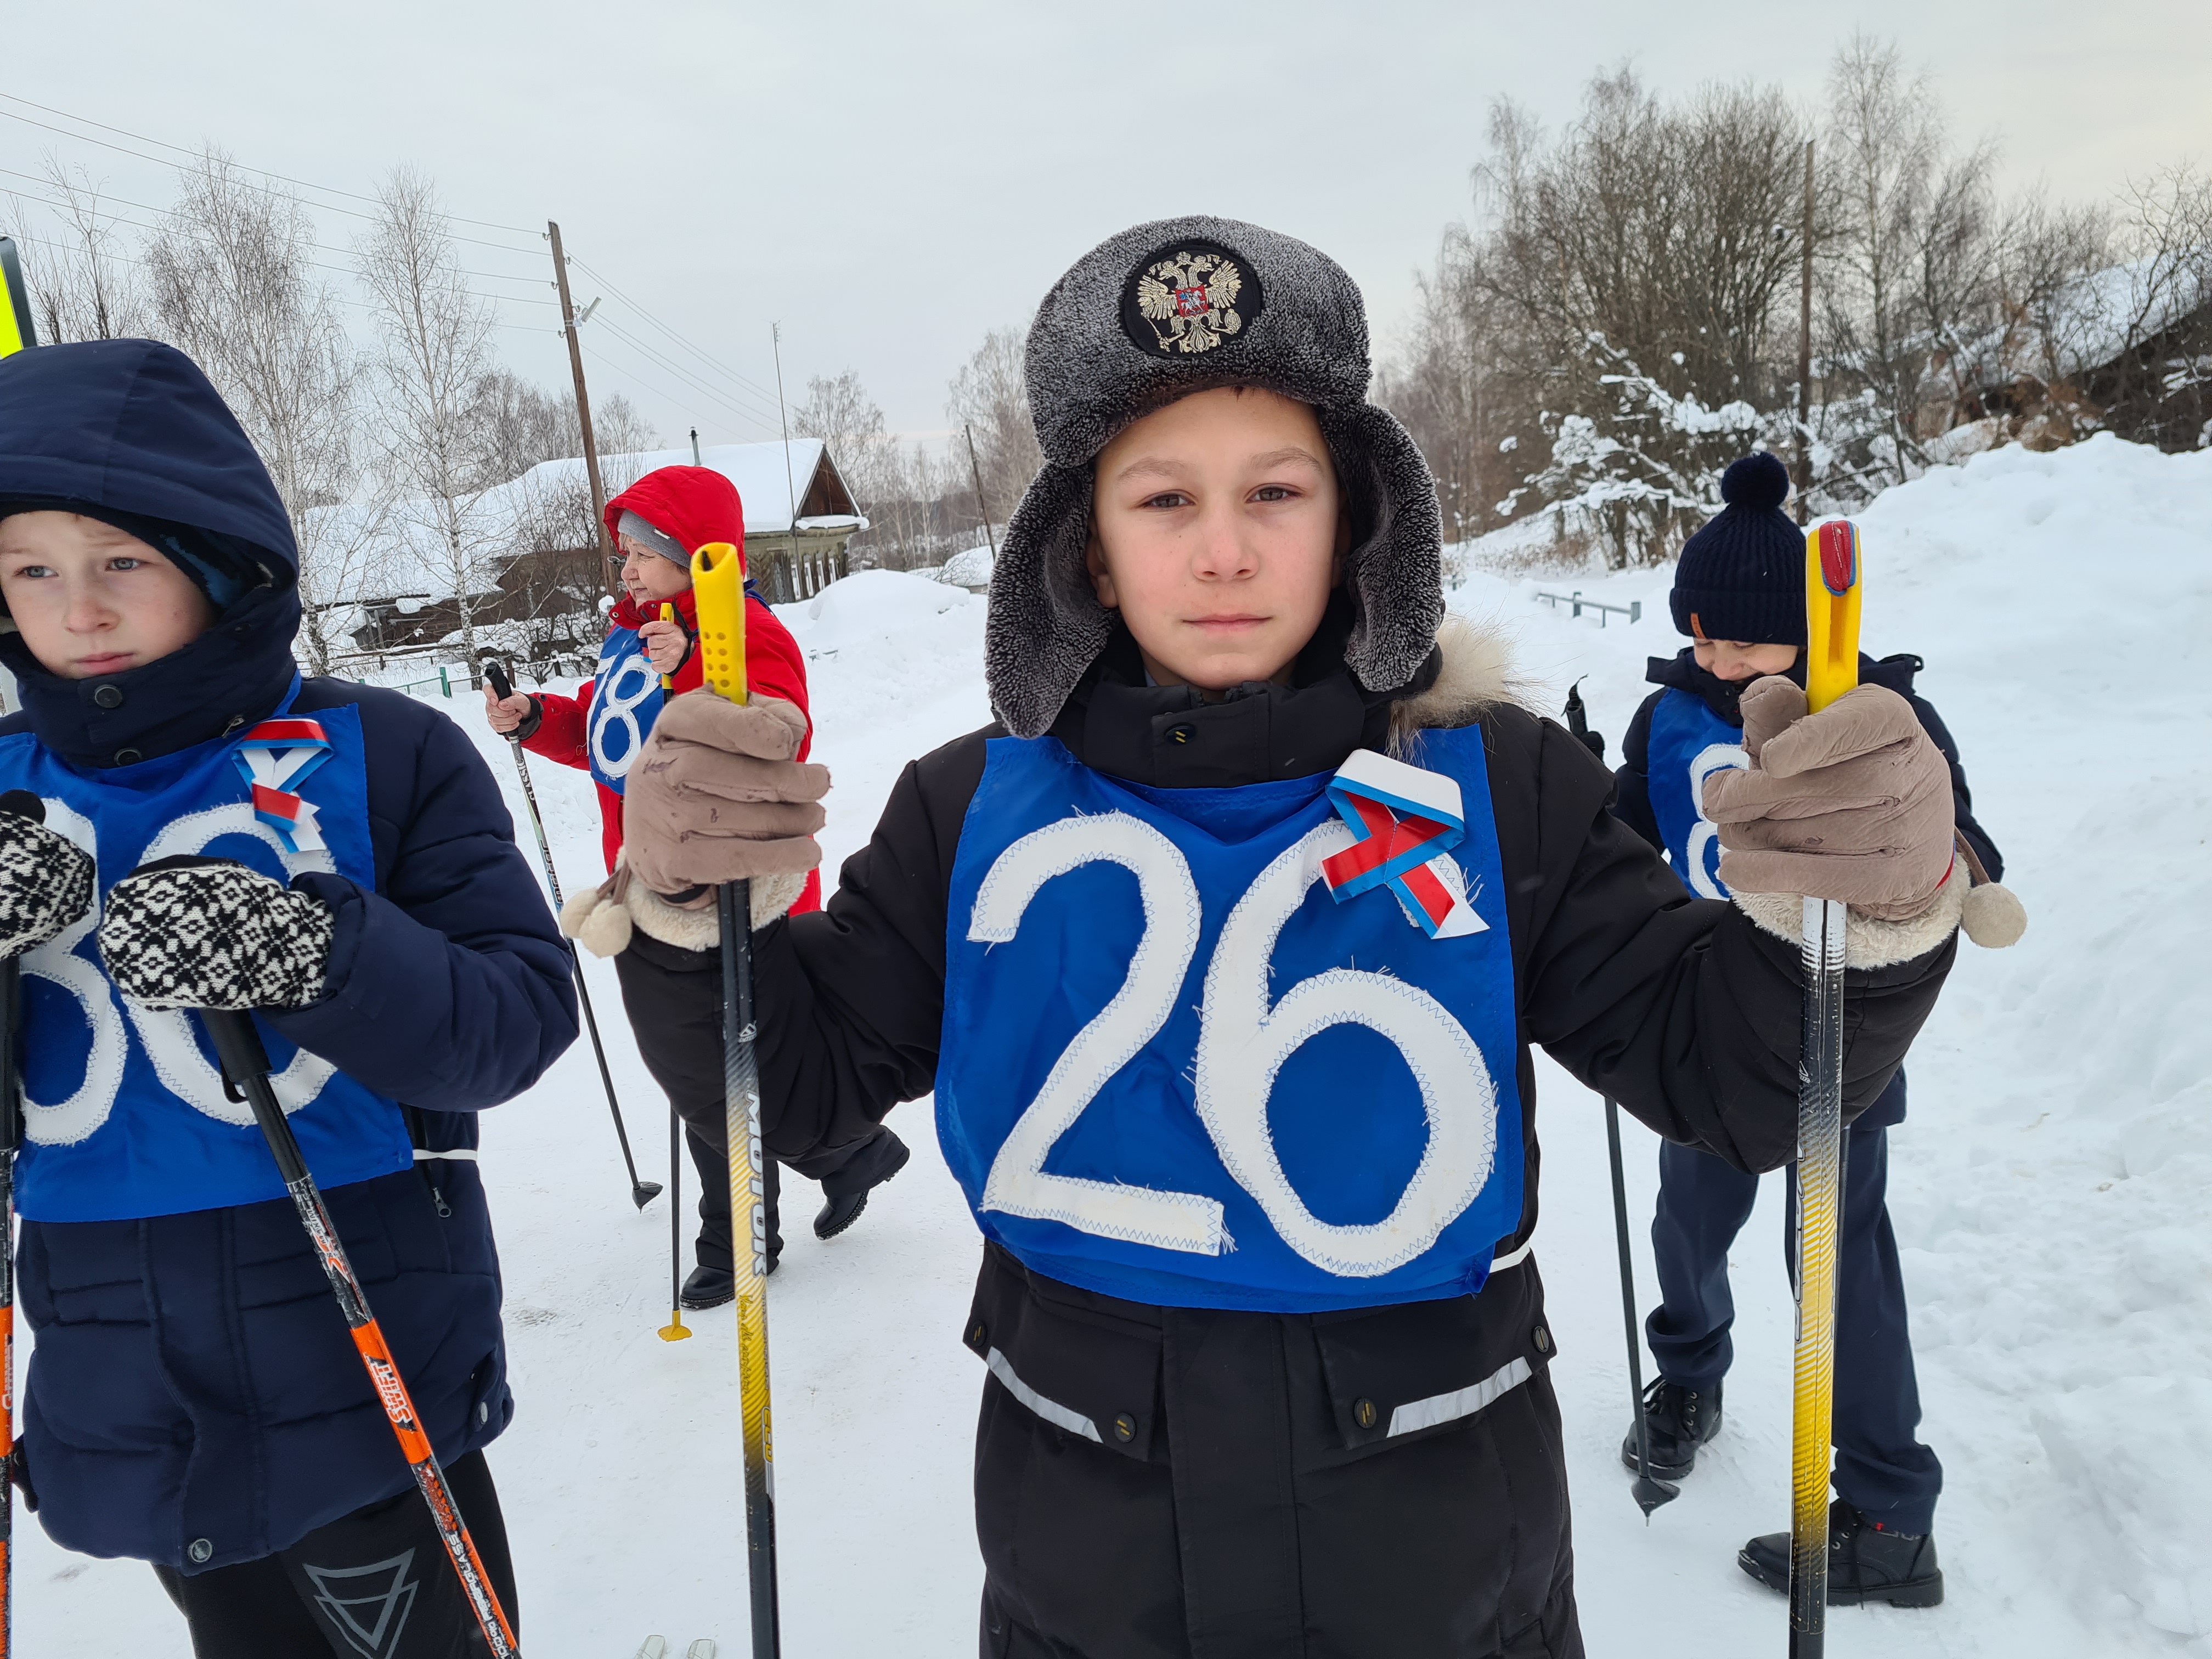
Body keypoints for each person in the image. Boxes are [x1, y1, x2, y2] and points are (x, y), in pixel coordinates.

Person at [616, 217, 1975, 1657]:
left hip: (1446, 1579)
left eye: (1275, 488)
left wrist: (1862, 911)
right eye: (1162, 500)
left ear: (1355, 516)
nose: (1222, 551)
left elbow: (1742, 1079)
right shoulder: (970, 814)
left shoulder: (1498, 784)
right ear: (1084, 547)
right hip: (1087, 1582)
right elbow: (796, 1094)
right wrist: (699, 919)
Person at [0, 337, 578, 1656]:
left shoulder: (383, 754)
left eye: (120, 564)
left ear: (218, 563)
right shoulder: (6, 785)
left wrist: (314, 955)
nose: (76, 611)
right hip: (123, 1386)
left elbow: (517, 1021)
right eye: (33, 570)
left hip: (364, 1366)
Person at [1605, 450, 2011, 1610]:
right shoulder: (1673, 714)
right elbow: (1632, 846)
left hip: (1845, 1036)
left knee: (1835, 1258)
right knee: (1690, 1217)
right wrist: (1598, 808)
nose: (1720, 661)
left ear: (1806, 631)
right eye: (1704, 637)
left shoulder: (1883, 718)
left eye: (1746, 642)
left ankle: (1889, 1512)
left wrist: (1952, 871)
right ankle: (1686, 1374)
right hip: (1715, 1018)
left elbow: (1956, 836)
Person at [483, 465, 907, 1304]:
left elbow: (767, 737)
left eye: (645, 552)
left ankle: (738, 1239)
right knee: (706, 1074)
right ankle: (844, 1159)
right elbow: (610, 737)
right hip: (646, 887)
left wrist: (692, 672)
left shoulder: (745, 630)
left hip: (734, 893)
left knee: (724, 1075)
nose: (629, 569)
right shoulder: (632, 637)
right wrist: (537, 718)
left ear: (698, 554)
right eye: (624, 554)